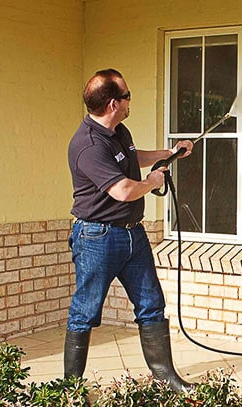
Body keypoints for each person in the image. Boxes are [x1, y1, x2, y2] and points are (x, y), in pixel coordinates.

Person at [65, 68, 193, 392]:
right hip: (97, 238)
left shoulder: (119, 131)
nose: (129, 100)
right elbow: (122, 190)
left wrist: (169, 153)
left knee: (151, 304)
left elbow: (133, 159)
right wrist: (152, 182)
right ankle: (71, 389)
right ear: (112, 104)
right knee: (85, 312)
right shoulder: (88, 145)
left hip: (132, 234)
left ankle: (166, 377)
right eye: (126, 96)